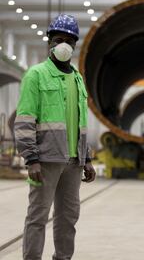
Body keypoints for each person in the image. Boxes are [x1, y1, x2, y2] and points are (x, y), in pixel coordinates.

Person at [14, 14, 96, 260]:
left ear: (74, 45)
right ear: (50, 42)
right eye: (59, 39)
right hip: (46, 159)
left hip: (73, 161)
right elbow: (25, 119)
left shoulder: (78, 78)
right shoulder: (36, 75)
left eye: (69, 40)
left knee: (68, 217)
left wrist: (87, 158)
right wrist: (31, 158)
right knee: (38, 216)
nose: (64, 45)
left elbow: (80, 123)